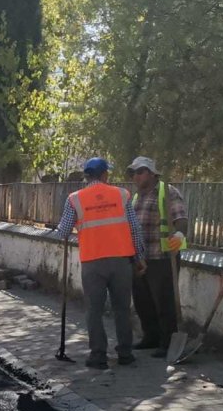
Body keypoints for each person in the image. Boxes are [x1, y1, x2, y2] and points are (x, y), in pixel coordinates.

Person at [55, 157, 148, 369]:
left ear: (87, 176)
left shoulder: (74, 199)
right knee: (122, 309)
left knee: (94, 310)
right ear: (105, 174)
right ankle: (125, 353)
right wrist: (139, 257)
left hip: (92, 263)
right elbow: (134, 229)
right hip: (121, 262)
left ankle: (98, 356)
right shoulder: (122, 195)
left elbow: (64, 231)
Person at [127, 156, 189, 358]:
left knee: (164, 301)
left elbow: (181, 218)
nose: (136, 176)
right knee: (142, 301)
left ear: (152, 173)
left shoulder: (168, 192)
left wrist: (179, 235)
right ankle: (150, 336)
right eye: (133, 173)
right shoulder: (136, 197)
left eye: (140, 172)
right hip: (141, 258)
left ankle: (167, 341)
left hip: (163, 257)